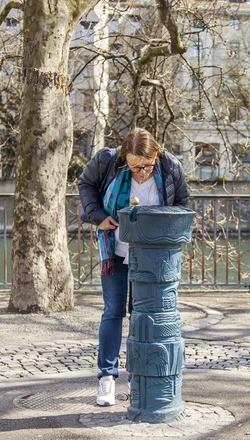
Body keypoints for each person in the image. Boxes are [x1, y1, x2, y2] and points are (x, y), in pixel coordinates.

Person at [78, 128, 190, 406]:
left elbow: (183, 204)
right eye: (135, 166)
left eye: (147, 166)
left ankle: (138, 376)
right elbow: (85, 184)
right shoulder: (107, 161)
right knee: (113, 312)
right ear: (124, 159)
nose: (141, 172)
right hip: (115, 249)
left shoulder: (170, 167)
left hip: (152, 257)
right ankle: (107, 378)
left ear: (157, 155)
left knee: (141, 314)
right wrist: (98, 216)